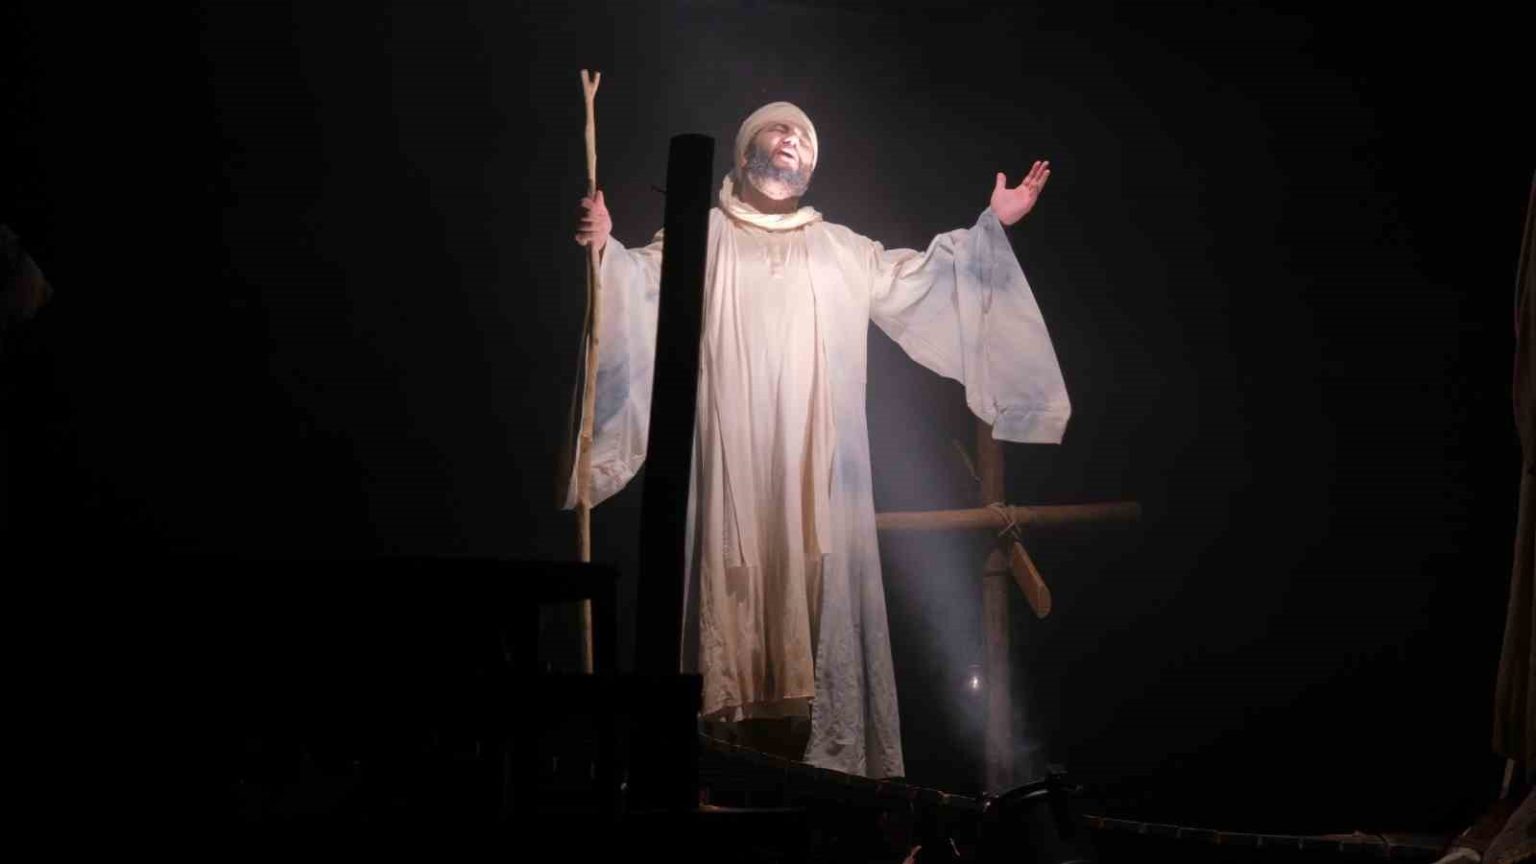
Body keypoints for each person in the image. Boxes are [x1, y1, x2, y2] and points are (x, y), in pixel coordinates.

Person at [567, 102, 1070, 778]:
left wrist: (989, 229)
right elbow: (640, 291)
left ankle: (815, 769)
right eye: (779, 130)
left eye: (804, 137)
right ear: (746, 148)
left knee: (815, 592)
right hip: (735, 454)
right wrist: (606, 250)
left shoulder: (840, 249)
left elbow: (922, 279)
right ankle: (722, 754)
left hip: (818, 461)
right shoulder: (702, 238)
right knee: (734, 590)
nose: (793, 141)